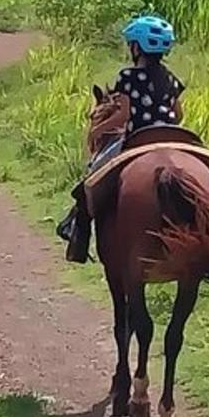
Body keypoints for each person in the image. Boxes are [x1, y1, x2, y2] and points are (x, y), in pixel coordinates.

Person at [63, 14, 184, 263]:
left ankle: (78, 234)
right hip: (174, 137)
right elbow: (179, 113)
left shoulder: (127, 77)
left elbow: (124, 114)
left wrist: (98, 130)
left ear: (136, 47)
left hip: (138, 137)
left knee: (90, 180)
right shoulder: (171, 78)